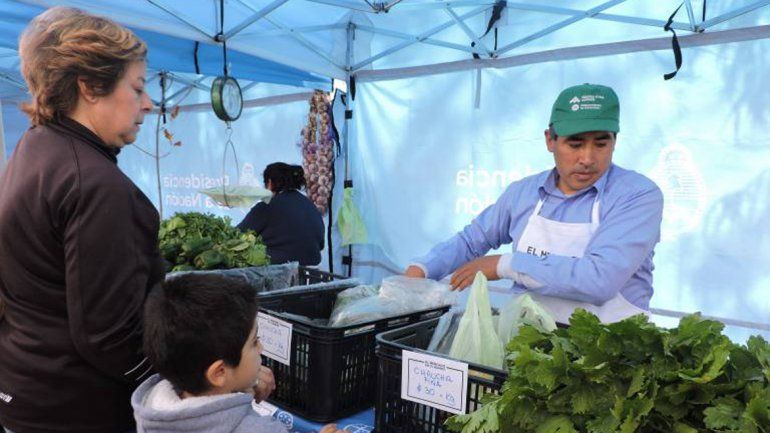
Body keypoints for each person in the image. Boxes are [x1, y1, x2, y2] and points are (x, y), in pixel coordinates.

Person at [0, 7, 162, 433]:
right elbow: (110, 335)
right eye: (138, 87)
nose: (148, 104)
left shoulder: (33, 147)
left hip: (27, 392)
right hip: (79, 409)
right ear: (90, 86)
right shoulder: (93, 183)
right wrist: (178, 383)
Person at [405, 83, 664, 324]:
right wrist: (421, 270)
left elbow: (599, 280)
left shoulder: (637, 196)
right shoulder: (524, 193)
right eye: (575, 144)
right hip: (529, 341)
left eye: (601, 143)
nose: (587, 158)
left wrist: (506, 265)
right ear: (550, 140)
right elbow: (472, 240)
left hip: (611, 349)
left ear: (615, 141)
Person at [133, 273, 345, 433]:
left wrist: (241, 389)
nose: (261, 348)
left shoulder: (153, 406)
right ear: (219, 372)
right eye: (254, 342)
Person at [237, 162, 325, 266]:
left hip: (275, 272)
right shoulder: (310, 205)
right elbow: (321, 244)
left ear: (269, 183)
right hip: (309, 274)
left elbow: (237, 236)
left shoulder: (267, 206)